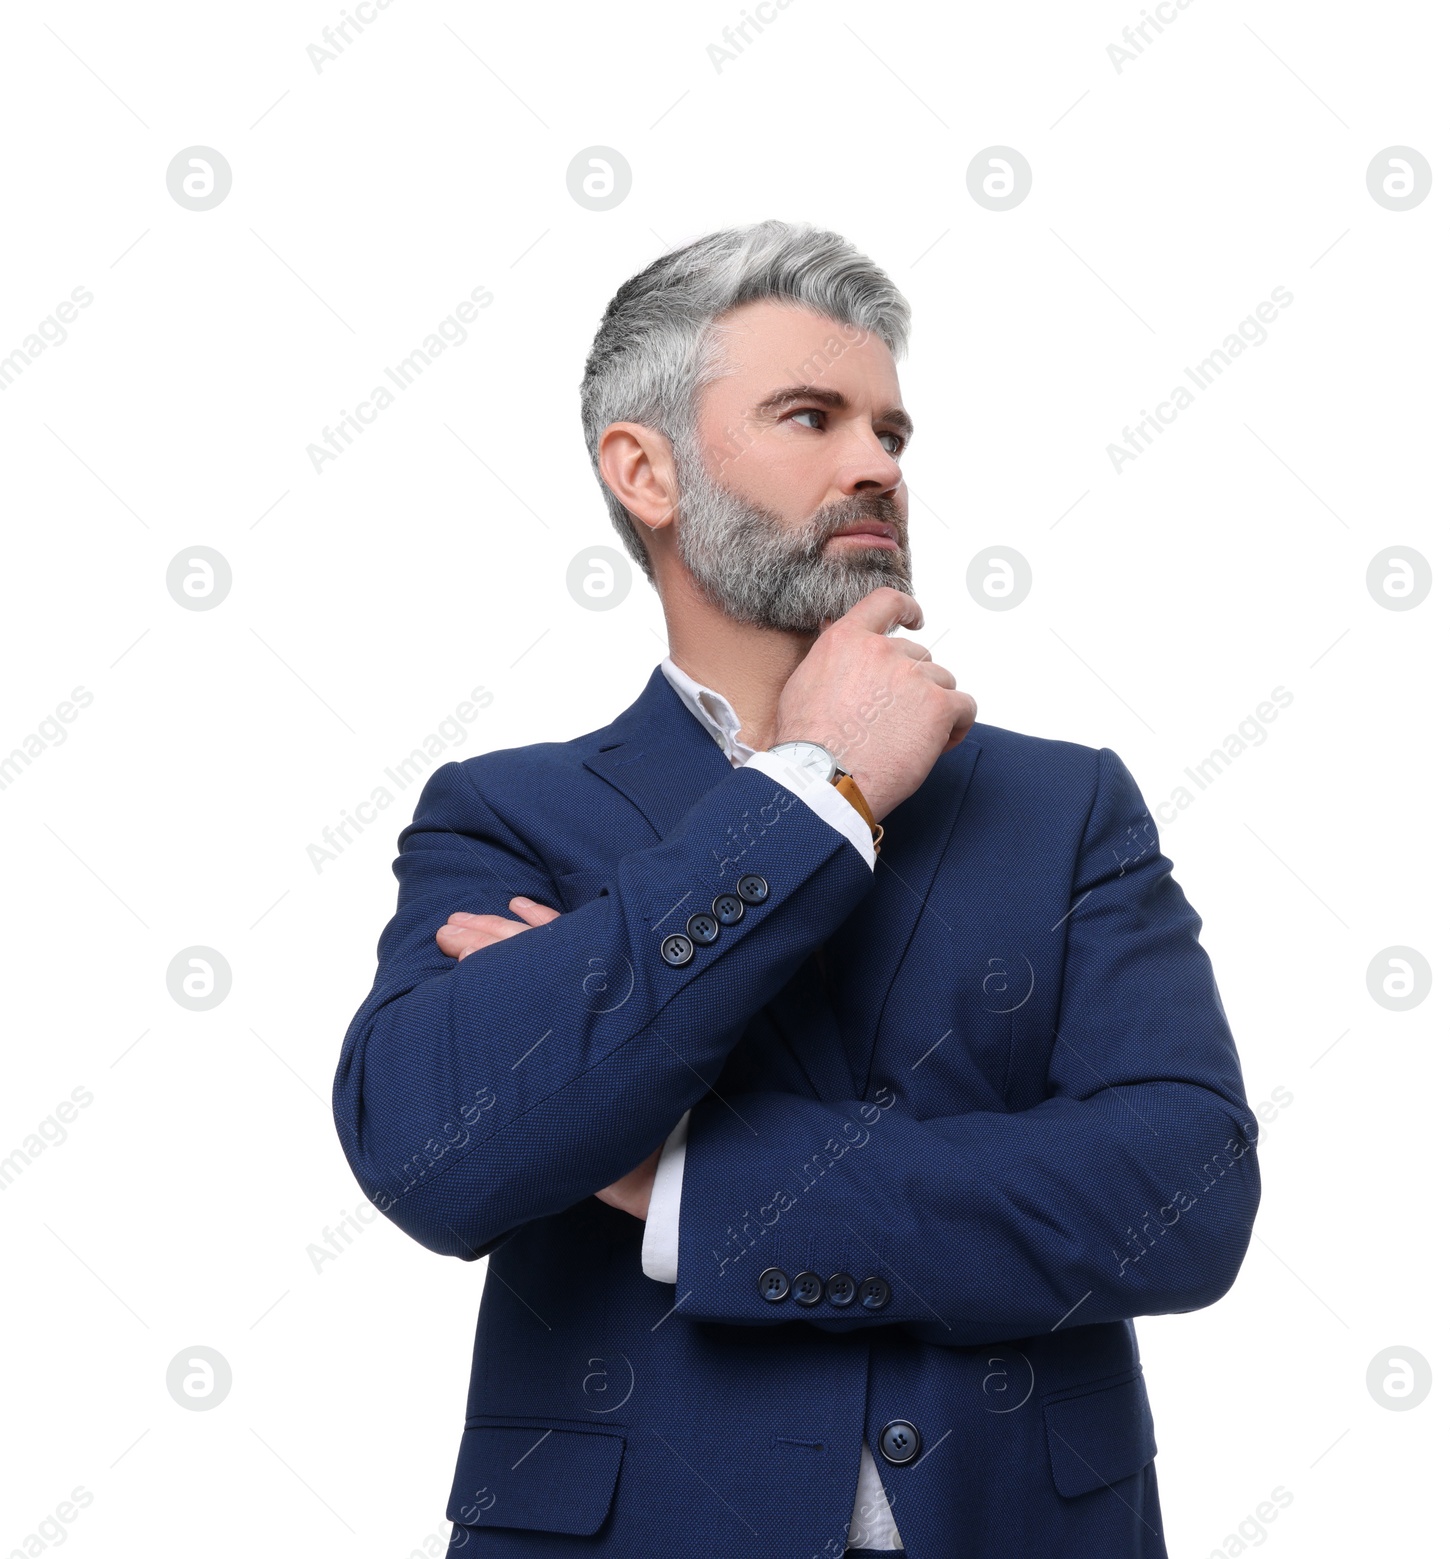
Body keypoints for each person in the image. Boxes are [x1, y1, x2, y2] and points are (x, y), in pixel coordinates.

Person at [331, 219, 1261, 1557]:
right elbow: (436, 1154)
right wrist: (817, 790)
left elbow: (1185, 1196)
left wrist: (701, 1181)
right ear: (645, 471)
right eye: (811, 416)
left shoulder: (1065, 807)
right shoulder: (504, 813)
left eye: (891, 432)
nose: (875, 465)